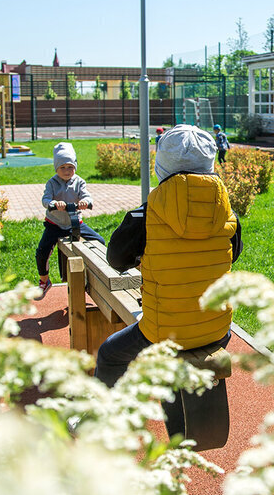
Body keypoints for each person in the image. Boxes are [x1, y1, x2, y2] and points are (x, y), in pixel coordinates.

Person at [96, 124, 242, 389]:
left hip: (162, 331)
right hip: (218, 330)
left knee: (110, 354)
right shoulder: (227, 213)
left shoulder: (145, 214)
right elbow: (235, 253)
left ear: (161, 164)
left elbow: (116, 259)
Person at [35, 142, 105, 299]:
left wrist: (85, 202)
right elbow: (45, 199)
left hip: (75, 223)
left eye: (70, 167)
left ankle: (93, 277)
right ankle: (44, 280)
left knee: (99, 241)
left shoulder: (79, 181)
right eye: (63, 167)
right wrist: (53, 204)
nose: (67, 171)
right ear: (56, 168)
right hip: (55, 225)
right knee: (42, 251)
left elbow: (86, 195)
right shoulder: (52, 183)